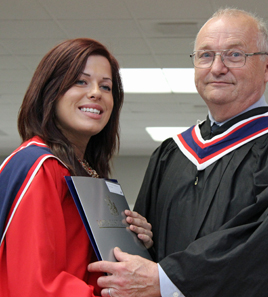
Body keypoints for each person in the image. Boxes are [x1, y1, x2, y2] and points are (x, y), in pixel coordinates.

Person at [87, 8, 268, 297]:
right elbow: (146, 257)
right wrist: (144, 242)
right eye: (205, 55)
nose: (217, 68)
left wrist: (168, 279)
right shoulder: (171, 153)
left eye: (235, 55)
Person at [0, 38, 152, 297]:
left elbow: (83, 267)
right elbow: (36, 286)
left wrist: (133, 243)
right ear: (50, 91)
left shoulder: (81, 170)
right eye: (80, 81)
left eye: (106, 86)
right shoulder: (39, 166)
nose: (96, 93)